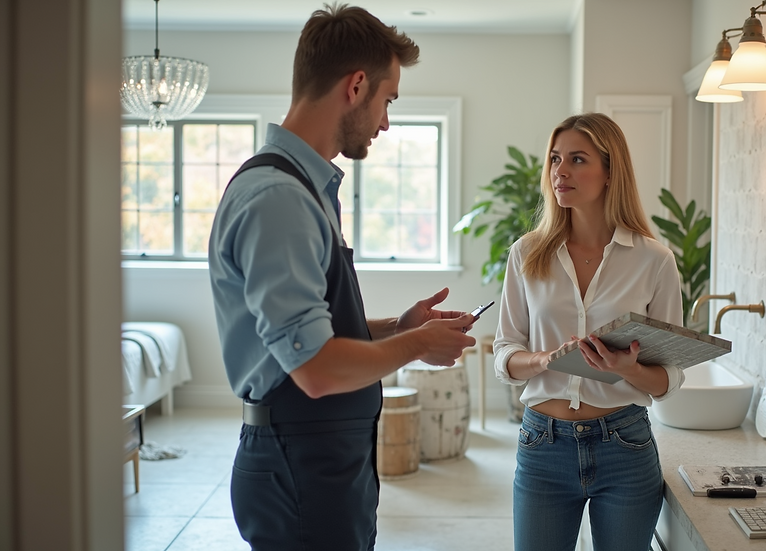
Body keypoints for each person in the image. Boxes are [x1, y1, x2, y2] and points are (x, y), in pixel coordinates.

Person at [207, 5, 476, 550]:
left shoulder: (305, 189)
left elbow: (312, 334)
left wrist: (399, 327)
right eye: (388, 100)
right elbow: (316, 370)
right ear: (356, 86)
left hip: (319, 458)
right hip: (298, 463)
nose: (385, 122)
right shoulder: (280, 199)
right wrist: (417, 343)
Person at [493, 112, 685, 551]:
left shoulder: (654, 261)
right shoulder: (527, 254)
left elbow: (668, 378)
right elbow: (506, 350)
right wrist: (543, 360)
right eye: (555, 159)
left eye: (577, 159)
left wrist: (629, 369)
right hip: (543, 444)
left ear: (610, 170)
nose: (560, 171)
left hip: (625, 445)